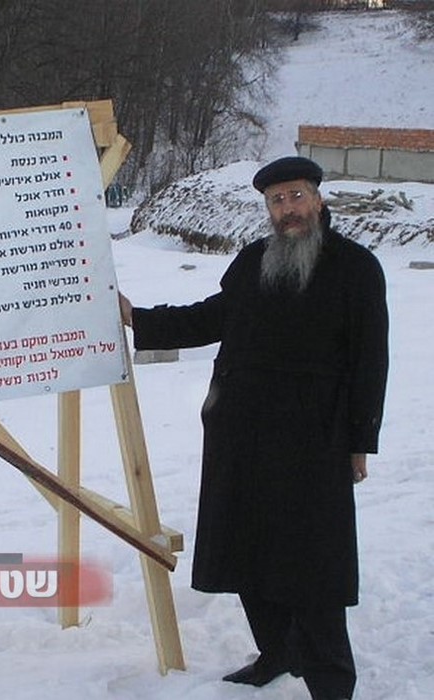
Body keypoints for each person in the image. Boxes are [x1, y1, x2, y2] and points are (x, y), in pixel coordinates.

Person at [118, 156, 388, 700]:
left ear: (318, 199)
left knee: (314, 566)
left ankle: (332, 682)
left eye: (296, 196)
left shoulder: (355, 268)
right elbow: (210, 318)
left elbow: (371, 359)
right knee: (248, 550)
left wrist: (360, 441)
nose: (287, 209)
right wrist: (136, 317)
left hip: (315, 440)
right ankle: (277, 652)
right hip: (241, 434)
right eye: (276, 201)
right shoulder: (254, 260)